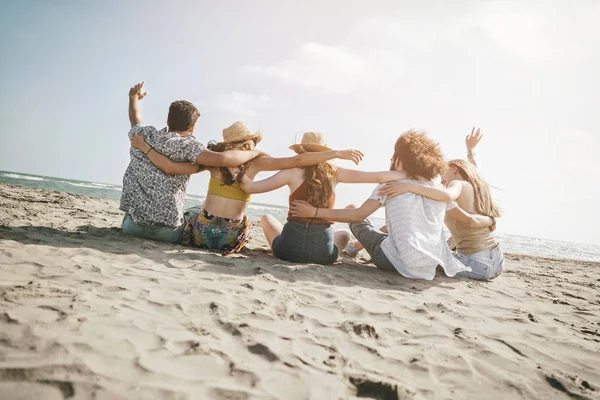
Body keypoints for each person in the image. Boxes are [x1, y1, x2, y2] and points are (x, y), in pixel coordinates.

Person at [129, 122, 364, 253]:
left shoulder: (212, 161)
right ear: (249, 143)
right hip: (230, 240)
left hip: (202, 236)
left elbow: (172, 167)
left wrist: (145, 149)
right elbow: (295, 161)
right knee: (245, 220)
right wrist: (336, 154)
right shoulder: (258, 161)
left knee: (193, 211)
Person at [291, 130, 494, 279]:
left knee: (354, 210)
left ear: (400, 159)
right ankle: (354, 248)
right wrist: (471, 152)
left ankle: (353, 248)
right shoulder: (436, 186)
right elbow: (474, 172)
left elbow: (358, 216)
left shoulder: (392, 184)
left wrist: (315, 211)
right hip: (427, 267)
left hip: (392, 261)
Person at [120, 82, 264, 243]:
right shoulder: (190, 146)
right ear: (192, 128)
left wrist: (133, 97)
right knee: (199, 210)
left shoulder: (142, 135)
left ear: (167, 120)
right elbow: (223, 160)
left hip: (132, 228)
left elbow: (135, 119)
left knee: (132, 213)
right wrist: (255, 153)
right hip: (169, 234)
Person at [238, 132, 408, 265]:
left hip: (287, 251)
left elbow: (251, 187)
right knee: (344, 234)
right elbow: (376, 177)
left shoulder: (292, 171)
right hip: (323, 255)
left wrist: (236, 171)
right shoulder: (335, 173)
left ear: (302, 151)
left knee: (267, 218)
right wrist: (408, 174)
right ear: (324, 152)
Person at [378, 128, 504, 280]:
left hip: (478, 264)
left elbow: (447, 195)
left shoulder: (457, 184)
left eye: (442, 173)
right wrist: (471, 149)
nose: (440, 178)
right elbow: (475, 166)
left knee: (422, 262)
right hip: (497, 260)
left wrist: (410, 186)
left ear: (454, 169)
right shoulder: (473, 184)